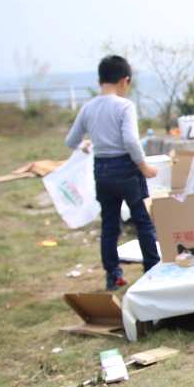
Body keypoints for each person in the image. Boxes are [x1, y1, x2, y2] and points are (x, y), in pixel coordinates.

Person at [65, 55, 159, 290]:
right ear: (125, 81)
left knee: (109, 224)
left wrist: (85, 145)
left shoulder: (88, 108)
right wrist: (144, 166)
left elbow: (71, 140)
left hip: (102, 171)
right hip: (126, 169)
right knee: (143, 221)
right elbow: (130, 140)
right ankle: (152, 270)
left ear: (100, 80)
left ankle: (113, 275)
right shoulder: (124, 106)